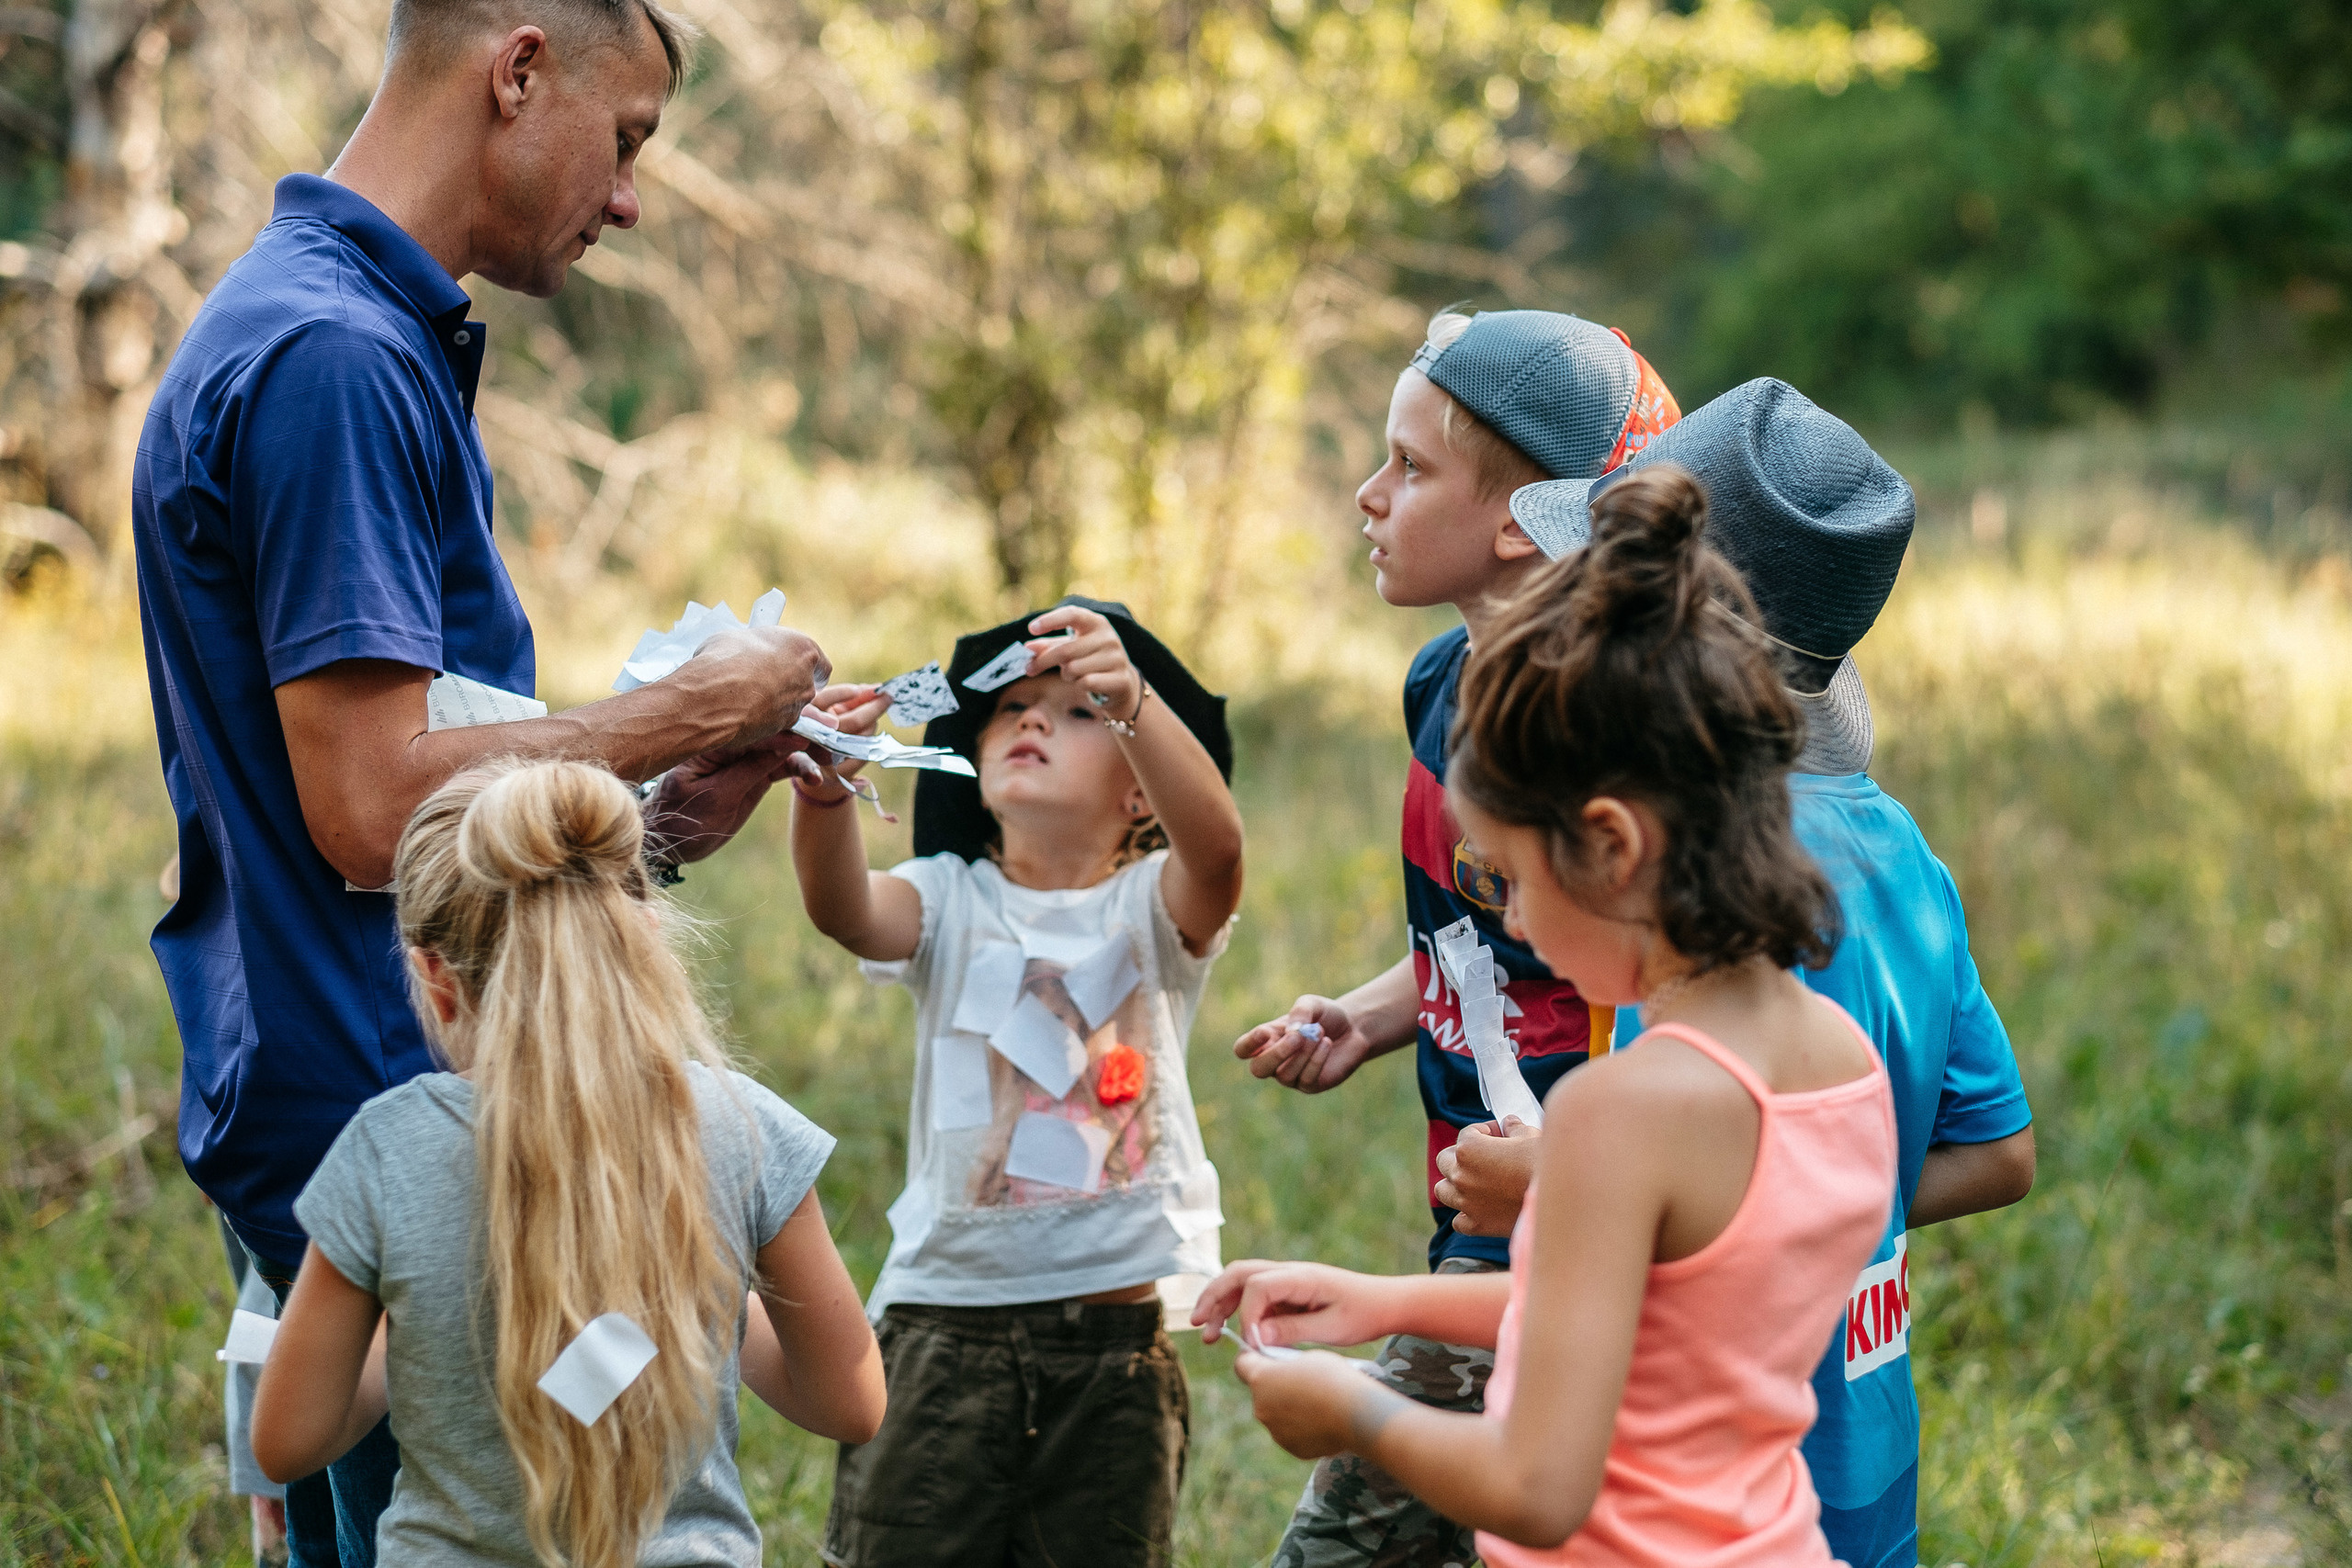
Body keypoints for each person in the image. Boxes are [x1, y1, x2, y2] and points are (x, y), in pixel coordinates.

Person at [131, 5, 837, 1562]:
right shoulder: (333, 357)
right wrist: (680, 705)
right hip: (386, 1078)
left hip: (367, 1052)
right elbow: (376, 808)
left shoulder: (343, 330)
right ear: (516, 70)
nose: (634, 196)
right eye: (629, 138)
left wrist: (662, 811)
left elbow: (418, 784)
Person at [1196, 465, 1897, 1566]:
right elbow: (1653, 1327)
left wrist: (1350, 1410)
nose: (1508, 913)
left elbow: (1537, 1486)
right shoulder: (1833, 1055)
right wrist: (1382, 1303)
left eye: (1511, 876)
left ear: (1612, 845)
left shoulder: (1623, 1110)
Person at [1451, 379, 2038, 1568]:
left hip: (1717, 1484)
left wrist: (1585, 1192)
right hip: (1866, 1452)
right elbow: (1995, 1151)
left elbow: (1723, 1158)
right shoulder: (1900, 850)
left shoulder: (1711, 899)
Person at [1227, 307, 1678, 1565]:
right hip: (1475, 1210)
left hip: (1562, 1223)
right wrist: (1372, 1013)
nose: (1368, 496)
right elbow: (1492, 935)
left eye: (1410, 466)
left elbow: (1671, 1002)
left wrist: (1567, 1180)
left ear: (1524, 519)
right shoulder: (1438, 682)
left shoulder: (1611, 740)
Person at [251, 760, 885, 1568]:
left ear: (434, 977)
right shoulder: (741, 1124)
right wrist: (703, 1292)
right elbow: (852, 1401)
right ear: (644, 939)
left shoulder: (388, 1147)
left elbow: (286, 1441)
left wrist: (408, 1332)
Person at [789, 599, 1244, 1568]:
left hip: (1114, 1347)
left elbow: (1219, 855)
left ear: (1139, 796)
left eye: (1077, 712)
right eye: (1012, 707)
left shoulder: (1147, 913)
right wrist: (826, 795)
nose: (1034, 719)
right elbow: (844, 911)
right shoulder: (948, 900)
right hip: (939, 1331)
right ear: (976, 765)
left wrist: (1134, 703)